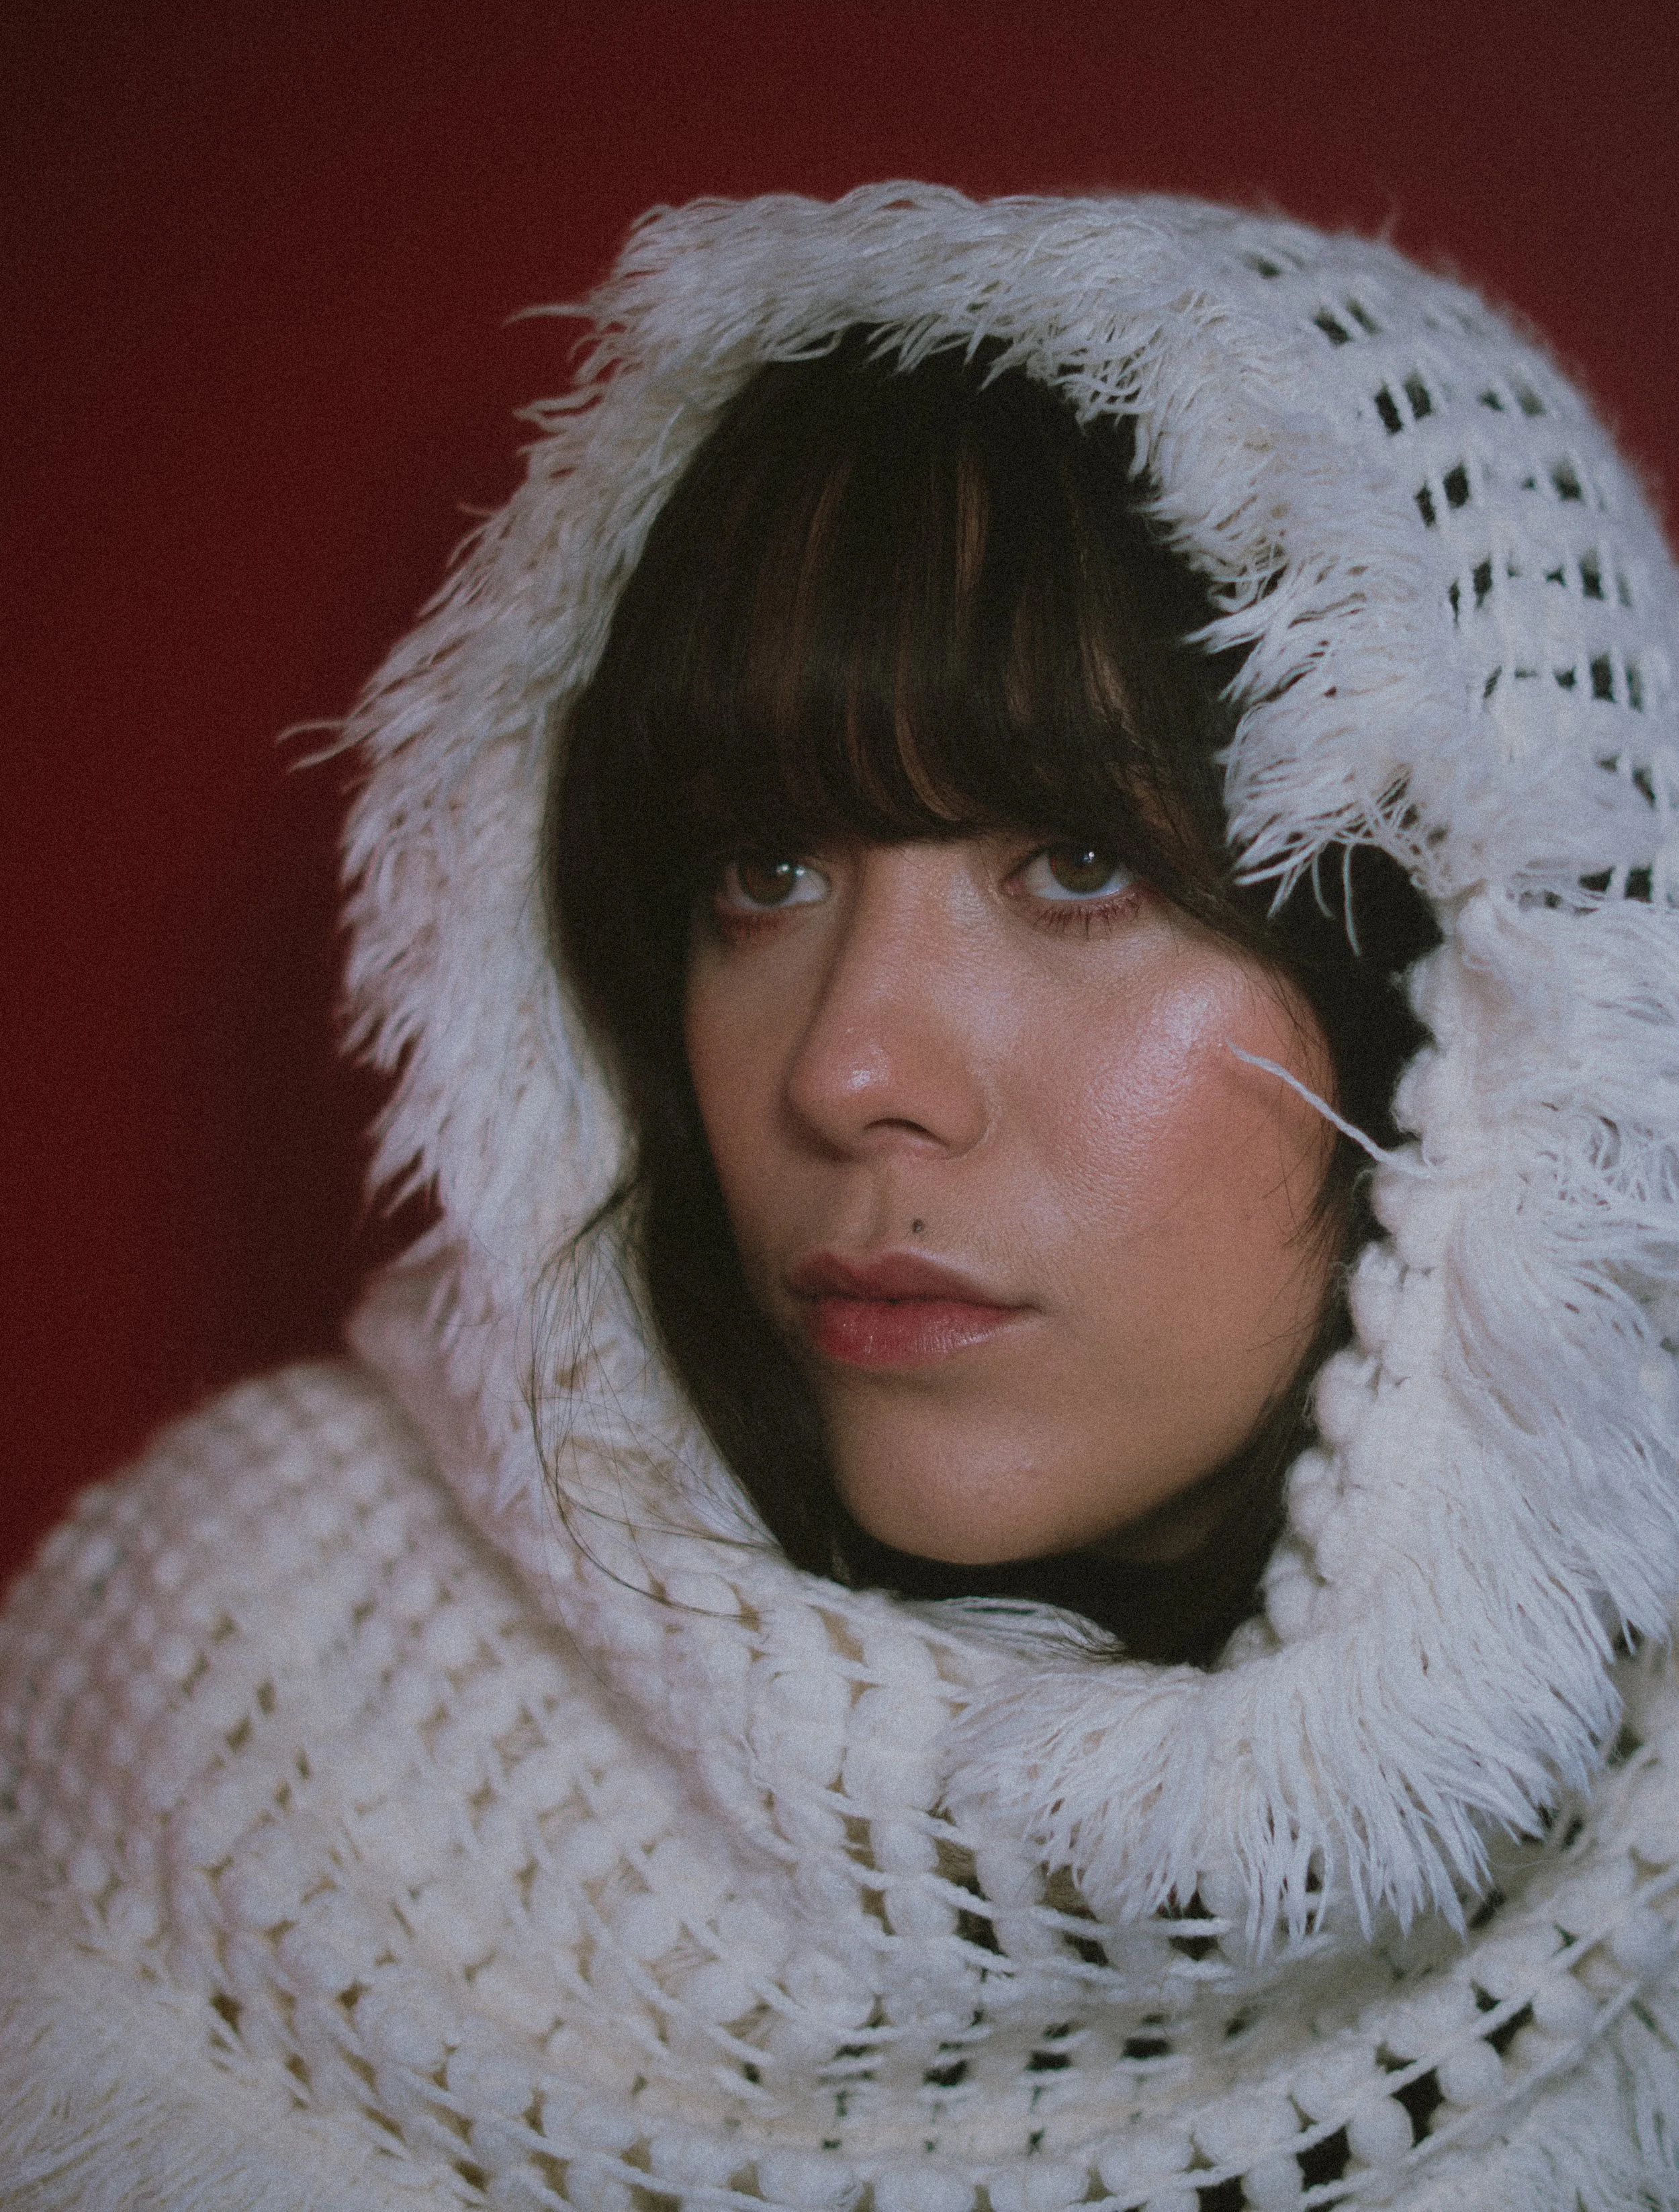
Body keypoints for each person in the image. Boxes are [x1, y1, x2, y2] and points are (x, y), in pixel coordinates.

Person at [2, 187, 1676, 2209]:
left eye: (1081, 866)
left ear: (1487, 999)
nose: (842, 1067)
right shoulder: (253, 1688)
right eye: (765, 873)